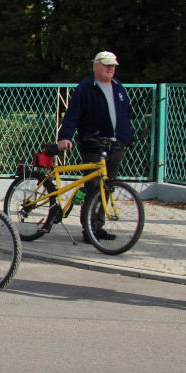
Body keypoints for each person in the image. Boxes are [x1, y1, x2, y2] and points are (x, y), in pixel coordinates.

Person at [56, 50, 133, 241]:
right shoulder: (86, 88)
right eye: (107, 64)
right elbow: (72, 114)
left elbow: (126, 114)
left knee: (108, 186)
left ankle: (98, 227)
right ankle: (89, 230)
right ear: (96, 65)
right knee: (94, 187)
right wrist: (65, 136)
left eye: (113, 65)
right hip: (94, 144)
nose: (110, 68)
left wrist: (126, 137)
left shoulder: (118, 86)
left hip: (116, 145)